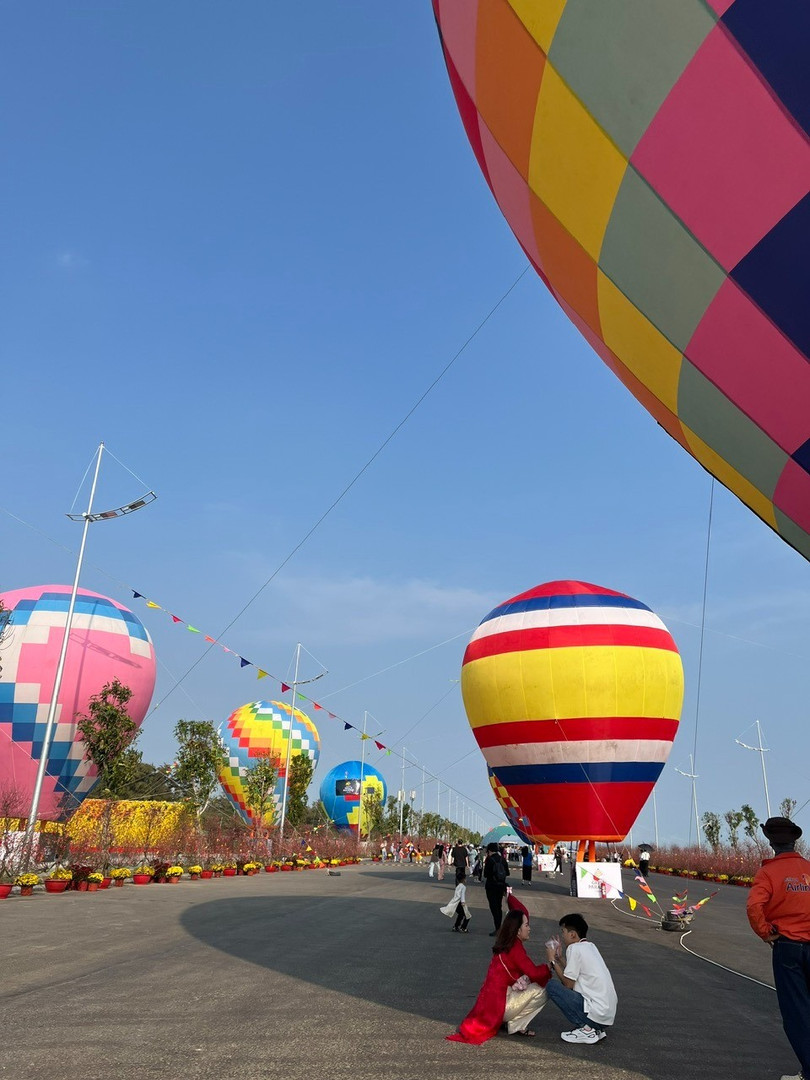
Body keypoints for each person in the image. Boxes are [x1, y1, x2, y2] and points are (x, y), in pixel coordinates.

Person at [747, 816, 810, 1080]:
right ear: (795, 840)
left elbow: (754, 907)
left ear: (770, 841)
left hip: (788, 948)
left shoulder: (768, 872)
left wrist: (765, 932)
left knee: (797, 1012)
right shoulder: (808, 868)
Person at [446, 907, 550, 1042]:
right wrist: (551, 963)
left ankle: (506, 1021)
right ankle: (516, 1025)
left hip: (489, 1006)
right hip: (499, 1007)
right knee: (545, 990)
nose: (529, 928)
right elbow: (534, 973)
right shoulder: (515, 948)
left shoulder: (506, 944)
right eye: (526, 925)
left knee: (534, 983)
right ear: (518, 930)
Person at [545, 912, 617, 1044]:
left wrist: (552, 961)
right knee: (567, 988)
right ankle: (596, 1029)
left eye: (563, 932)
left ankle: (586, 1029)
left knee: (551, 986)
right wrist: (560, 959)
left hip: (595, 1014)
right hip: (605, 1016)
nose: (562, 935)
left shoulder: (574, 948)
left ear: (572, 934)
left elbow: (568, 984)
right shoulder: (590, 946)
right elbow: (575, 974)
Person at [483, 842, 510, 935]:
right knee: (499, 906)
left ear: (489, 850)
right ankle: (499, 927)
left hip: (491, 886)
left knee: (493, 907)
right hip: (501, 886)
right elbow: (507, 872)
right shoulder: (502, 859)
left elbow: (485, 874)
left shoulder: (489, 860)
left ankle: (498, 928)